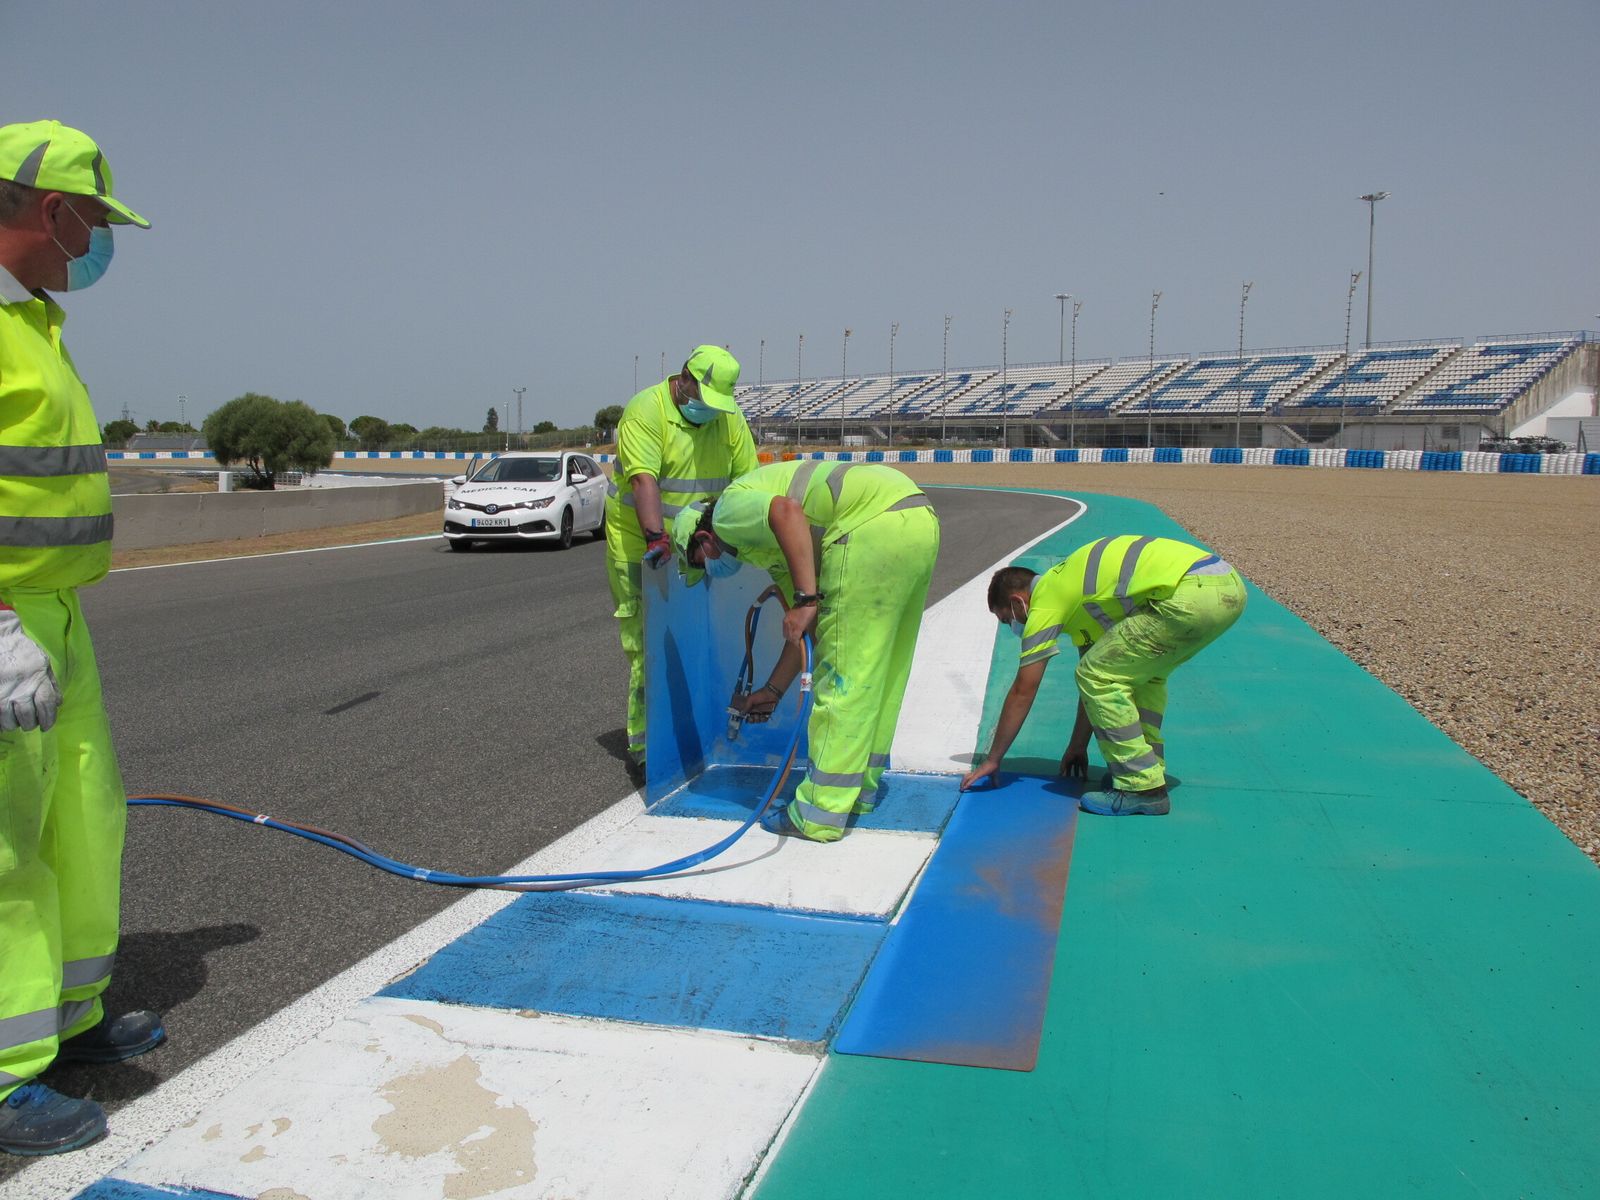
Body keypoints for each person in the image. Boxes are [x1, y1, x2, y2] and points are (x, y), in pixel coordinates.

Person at [0, 120, 165, 1157]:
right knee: (8, 846)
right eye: (96, 220)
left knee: (83, 816)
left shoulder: (32, 322)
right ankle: (8, 1075)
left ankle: (71, 1012)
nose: (101, 241)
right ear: (51, 211)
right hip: (6, 620)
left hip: (57, 615)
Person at [672, 459, 940, 841]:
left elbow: (786, 511)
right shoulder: (775, 549)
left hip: (867, 526)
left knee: (843, 674)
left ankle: (820, 811)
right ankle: (859, 789)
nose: (711, 572)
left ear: (704, 541)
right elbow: (806, 628)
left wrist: (806, 598)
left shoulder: (728, 512)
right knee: (883, 667)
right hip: (914, 518)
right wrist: (773, 691)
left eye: (702, 564)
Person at [960, 535, 1246, 815]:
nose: (1014, 626)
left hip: (1188, 593)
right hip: (1225, 587)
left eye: (1007, 619)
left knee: (1096, 674)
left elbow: (1025, 688)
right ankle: (1147, 769)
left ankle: (1141, 788)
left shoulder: (1047, 596)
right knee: (1140, 676)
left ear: (1018, 602)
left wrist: (993, 758)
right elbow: (1092, 688)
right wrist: (1077, 744)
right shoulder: (1084, 603)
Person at [603, 346, 756, 769]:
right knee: (649, 644)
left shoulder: (728, 418)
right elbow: (643, 480)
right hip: (642, 544)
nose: (710, 410)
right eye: (704, 399)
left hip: (696, 545)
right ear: (684, 378)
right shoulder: (645, 411)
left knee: (698, 636)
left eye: (717, 404)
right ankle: (649, 749)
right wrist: (657, 537)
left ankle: (693, 729)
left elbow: (748, 481)